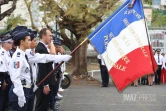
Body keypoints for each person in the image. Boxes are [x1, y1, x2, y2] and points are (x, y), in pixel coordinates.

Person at [35, 28, 62, 111]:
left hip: (47, 80)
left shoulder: (45, 47)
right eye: (50, 35)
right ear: (43, 36)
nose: (51, 38)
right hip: (43, 81)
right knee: (41, 106)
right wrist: (45, 84)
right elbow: (43, 68)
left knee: (45, 105)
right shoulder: (40, 48)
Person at [8, 27, 34, 111]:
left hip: (25, 90)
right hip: (19, 91)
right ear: (22, 42)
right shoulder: (18, 57)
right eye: (29, 40)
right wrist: (21, 96)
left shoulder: (23, 55)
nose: (30, 42)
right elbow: (15, 78)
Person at [0, 33, 13, 111]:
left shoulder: (8, 53)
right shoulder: (1, 53)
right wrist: (3, 81)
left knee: (6, 100)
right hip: (3, 78)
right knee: (2, 99)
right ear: (5, 44)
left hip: (8, 77)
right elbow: (2, 69)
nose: (11, 44)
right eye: (10, 43)